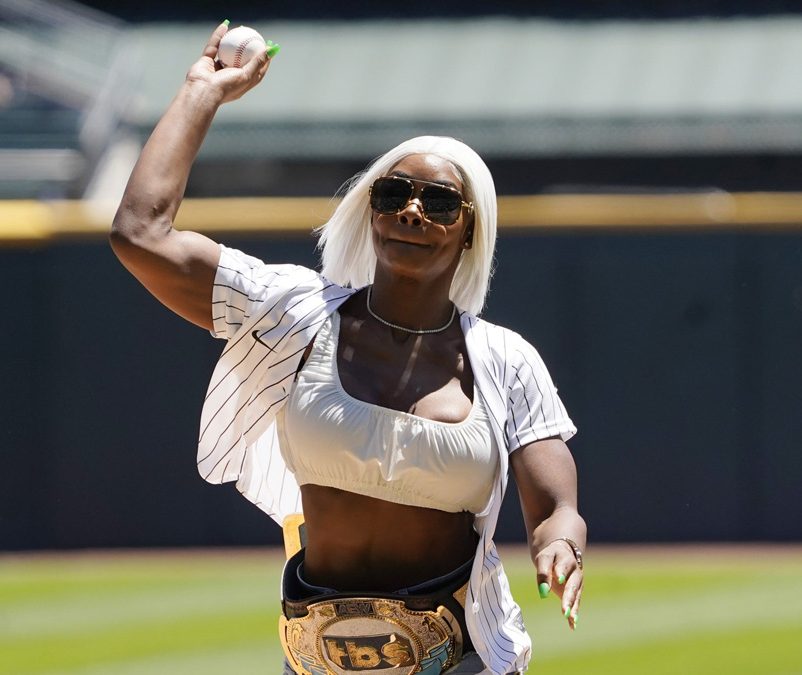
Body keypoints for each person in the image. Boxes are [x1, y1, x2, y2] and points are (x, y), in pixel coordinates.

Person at [110, 22, 585, 675]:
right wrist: (200, 92)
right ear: (371, 209)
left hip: (463, 657)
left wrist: (559, 546)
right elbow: (140, 234)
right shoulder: (294, 312)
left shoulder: (504, 359)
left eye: (440, 201)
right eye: (394, 194)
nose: (412, 211)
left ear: (472, 227)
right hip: (318, 659)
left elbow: (554, 507)